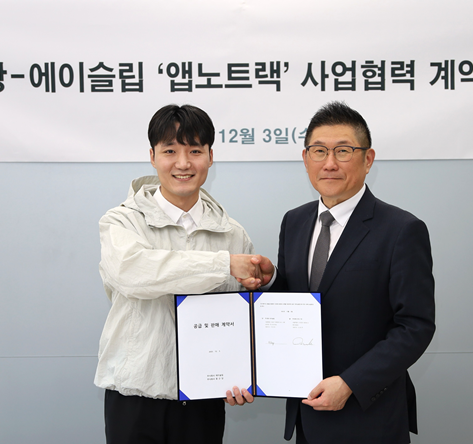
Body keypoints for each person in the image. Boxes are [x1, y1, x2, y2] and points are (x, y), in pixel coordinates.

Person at [260, 101, 436, 443]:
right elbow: (296, 304)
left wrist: (350, 383)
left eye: (343, 151)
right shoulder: (294, 221)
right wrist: (271, 281)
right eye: (319, 151)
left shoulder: (402, 229)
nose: (329, 163)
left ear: (368, 159)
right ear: (305, 158)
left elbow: (415, 326)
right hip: (307, 410)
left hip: (369, 416)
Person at [94, 104, 265, 444]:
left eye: (195, 151)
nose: (183, 163)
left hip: (204, 399)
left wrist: (244, 375)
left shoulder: (233, 233)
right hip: (134, 395)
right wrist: (222, 264)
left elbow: (240, 319)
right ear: (152, 156)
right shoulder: (122, 221)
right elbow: (133, 273)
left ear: (211, 157)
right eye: (170, 151)